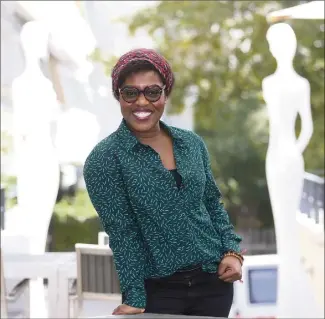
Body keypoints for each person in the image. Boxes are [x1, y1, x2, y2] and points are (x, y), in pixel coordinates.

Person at [83, 48, 243, 317]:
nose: (142, 102)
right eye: (130, 93)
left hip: (214, 284)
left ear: (165, 94)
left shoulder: (192, 144)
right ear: (118, 96)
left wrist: (232, 252)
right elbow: (123, 234)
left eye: (153, 92)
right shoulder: (103, 160)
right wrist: (134, 296)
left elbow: (211, 204)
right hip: (158, 292)